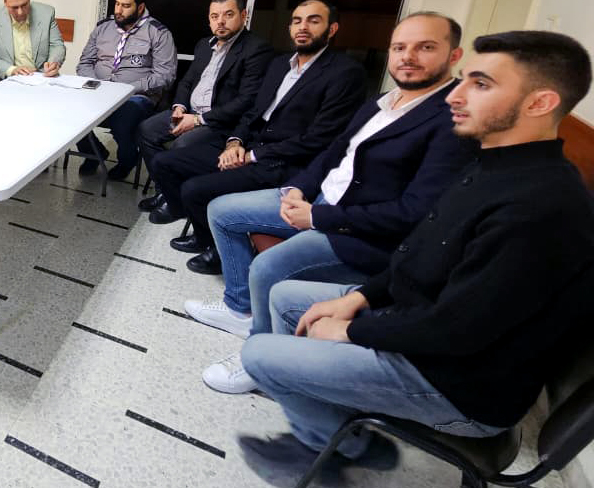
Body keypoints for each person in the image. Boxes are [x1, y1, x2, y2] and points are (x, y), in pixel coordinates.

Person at [238, 30, 594, 476]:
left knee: (260, 355)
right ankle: (329, 425)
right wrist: (360, 297)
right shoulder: (493, 164)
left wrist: (351, 331)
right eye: (464, 79)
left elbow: (455, 330)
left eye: (481, 84)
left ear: (539, 103)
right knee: (284, 297)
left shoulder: (540, 207)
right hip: (426, 326)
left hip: (458, 385)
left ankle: (336, 450)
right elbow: (418, 251)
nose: (455, 96)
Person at [188, 11, 472, 394]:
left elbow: (415, 213)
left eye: (425, 48)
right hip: (319, 200)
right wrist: (298, 189)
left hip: (358, 232)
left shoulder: (450, 120)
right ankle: (240, 308)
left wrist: (318, 217)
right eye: (399, 47)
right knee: (222, 210)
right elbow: (333, 153)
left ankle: (261, 357)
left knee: (268, 267)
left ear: (454, 56)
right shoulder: (382, 102)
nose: (408, 56)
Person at [147, 0, 365, 268]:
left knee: (195, 189)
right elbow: (253, 111)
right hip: (250, 144)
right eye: (297, 21)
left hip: (284, 161)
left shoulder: (345, 73)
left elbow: (319, 139)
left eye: (313, 21)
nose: (303, 27)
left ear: (332, 29)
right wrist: (234, 142)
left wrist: (251, 155)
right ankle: (204, 235)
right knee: (165, 162)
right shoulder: (281, 64)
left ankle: (218, 251)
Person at [136, 0, 274, 210]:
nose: (221, 21)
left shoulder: (256, 49)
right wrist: (179, 106)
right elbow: (187, 81)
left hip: (218, 122)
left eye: (228, 15)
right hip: (189, 112)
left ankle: (176, 201)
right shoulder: (204, 45)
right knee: (146, 129)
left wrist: (198, 120)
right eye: (214, 16)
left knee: (182, 145)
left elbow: (246, 100)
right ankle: (166, 192)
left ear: (243, 15)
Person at [75, 0, 177, 181]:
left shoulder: (158, 33)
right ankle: (94, 153)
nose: (118, 11)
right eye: (117, 4)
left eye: (126, 6)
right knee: (70, 110)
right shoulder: (103, 28)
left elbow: (165, 75)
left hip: (136, 97)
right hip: (99, 91)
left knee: (123, 118)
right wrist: (97, 84)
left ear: (140, 7)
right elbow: (84, 63)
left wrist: (128, 89)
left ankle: (127, 160)